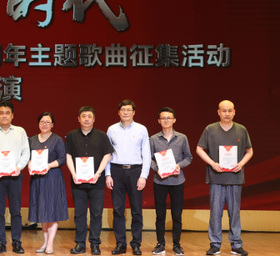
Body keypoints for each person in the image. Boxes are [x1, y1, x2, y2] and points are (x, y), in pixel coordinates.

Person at [196, 100, 253, 256]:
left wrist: (241, 163)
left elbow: (249, 151)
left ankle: (236, 244)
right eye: (224, 110)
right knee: (215, 213)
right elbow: (199, 149)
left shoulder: (241, 129)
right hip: (216, 178)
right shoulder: (210, 129)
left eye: (229, 110)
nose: (227, 113)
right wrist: (212, 163)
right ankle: (215, 244)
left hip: (235, 178)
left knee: (235, 213)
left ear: (234, 112)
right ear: (218, 112)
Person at [0, 100, 30, 254]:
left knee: (16, 211)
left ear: (12, 115)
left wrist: (19, 167)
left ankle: (17, 242)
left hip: (15, 176)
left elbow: (26, 152)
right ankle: (0, 243)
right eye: (1, 113)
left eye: (7, 113)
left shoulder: (20, 131)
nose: (4, 116)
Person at [66, 106, 114, 256]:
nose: (86, 119)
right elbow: (68, 156)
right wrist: (74, 174)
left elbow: (107, 155)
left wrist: (98, 173)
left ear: (94, 119)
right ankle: (80, 244)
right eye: (84, 116)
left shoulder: (101, 136)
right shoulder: (72, 135)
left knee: (96, 214)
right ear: (78, 119)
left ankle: (95, 244)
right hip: (78, 182)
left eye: (89, 116)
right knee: (79, 214)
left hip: (96, 182)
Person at [105, 99, 150, 256]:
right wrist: (108, 174)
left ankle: (136, 244)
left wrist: (143, 176)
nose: (126, 112)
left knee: (136, 210)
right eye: (123, 109)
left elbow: (146, 154)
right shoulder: (111, 130)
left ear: (134, 112)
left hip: (135, 171)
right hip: (116, 171)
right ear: (118, 112)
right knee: (118, 210)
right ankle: (120, 244)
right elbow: (107, 154)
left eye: (129, 110)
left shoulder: (141, 129)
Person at [149, 107, 193, 256]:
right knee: (160, 214)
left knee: (177, 215)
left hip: (177, 181)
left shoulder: (182, 138)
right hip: (160, 181)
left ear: (174, 120)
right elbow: (148, 158)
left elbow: (189, 157)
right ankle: (160, 244)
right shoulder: (153, 139)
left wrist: (179, 165)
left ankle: (177, 245)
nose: (166, 120)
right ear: (159, 121)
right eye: (163, 118)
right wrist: (157, 169)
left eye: (169, 118)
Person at [28, 112, 68, 254]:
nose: (44, 124)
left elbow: (62, 159)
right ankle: (44, 243)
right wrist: (29, 163)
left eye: (48, 122)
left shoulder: (57, 140)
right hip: (38, 179)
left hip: (52, 178)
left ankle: (50, 244)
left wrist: (49, 165)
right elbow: (27, 156)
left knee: (52, 211)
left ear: (52, 125)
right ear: (38, 123)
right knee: (43, 211)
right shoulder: (32, 140)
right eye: (42, 122)